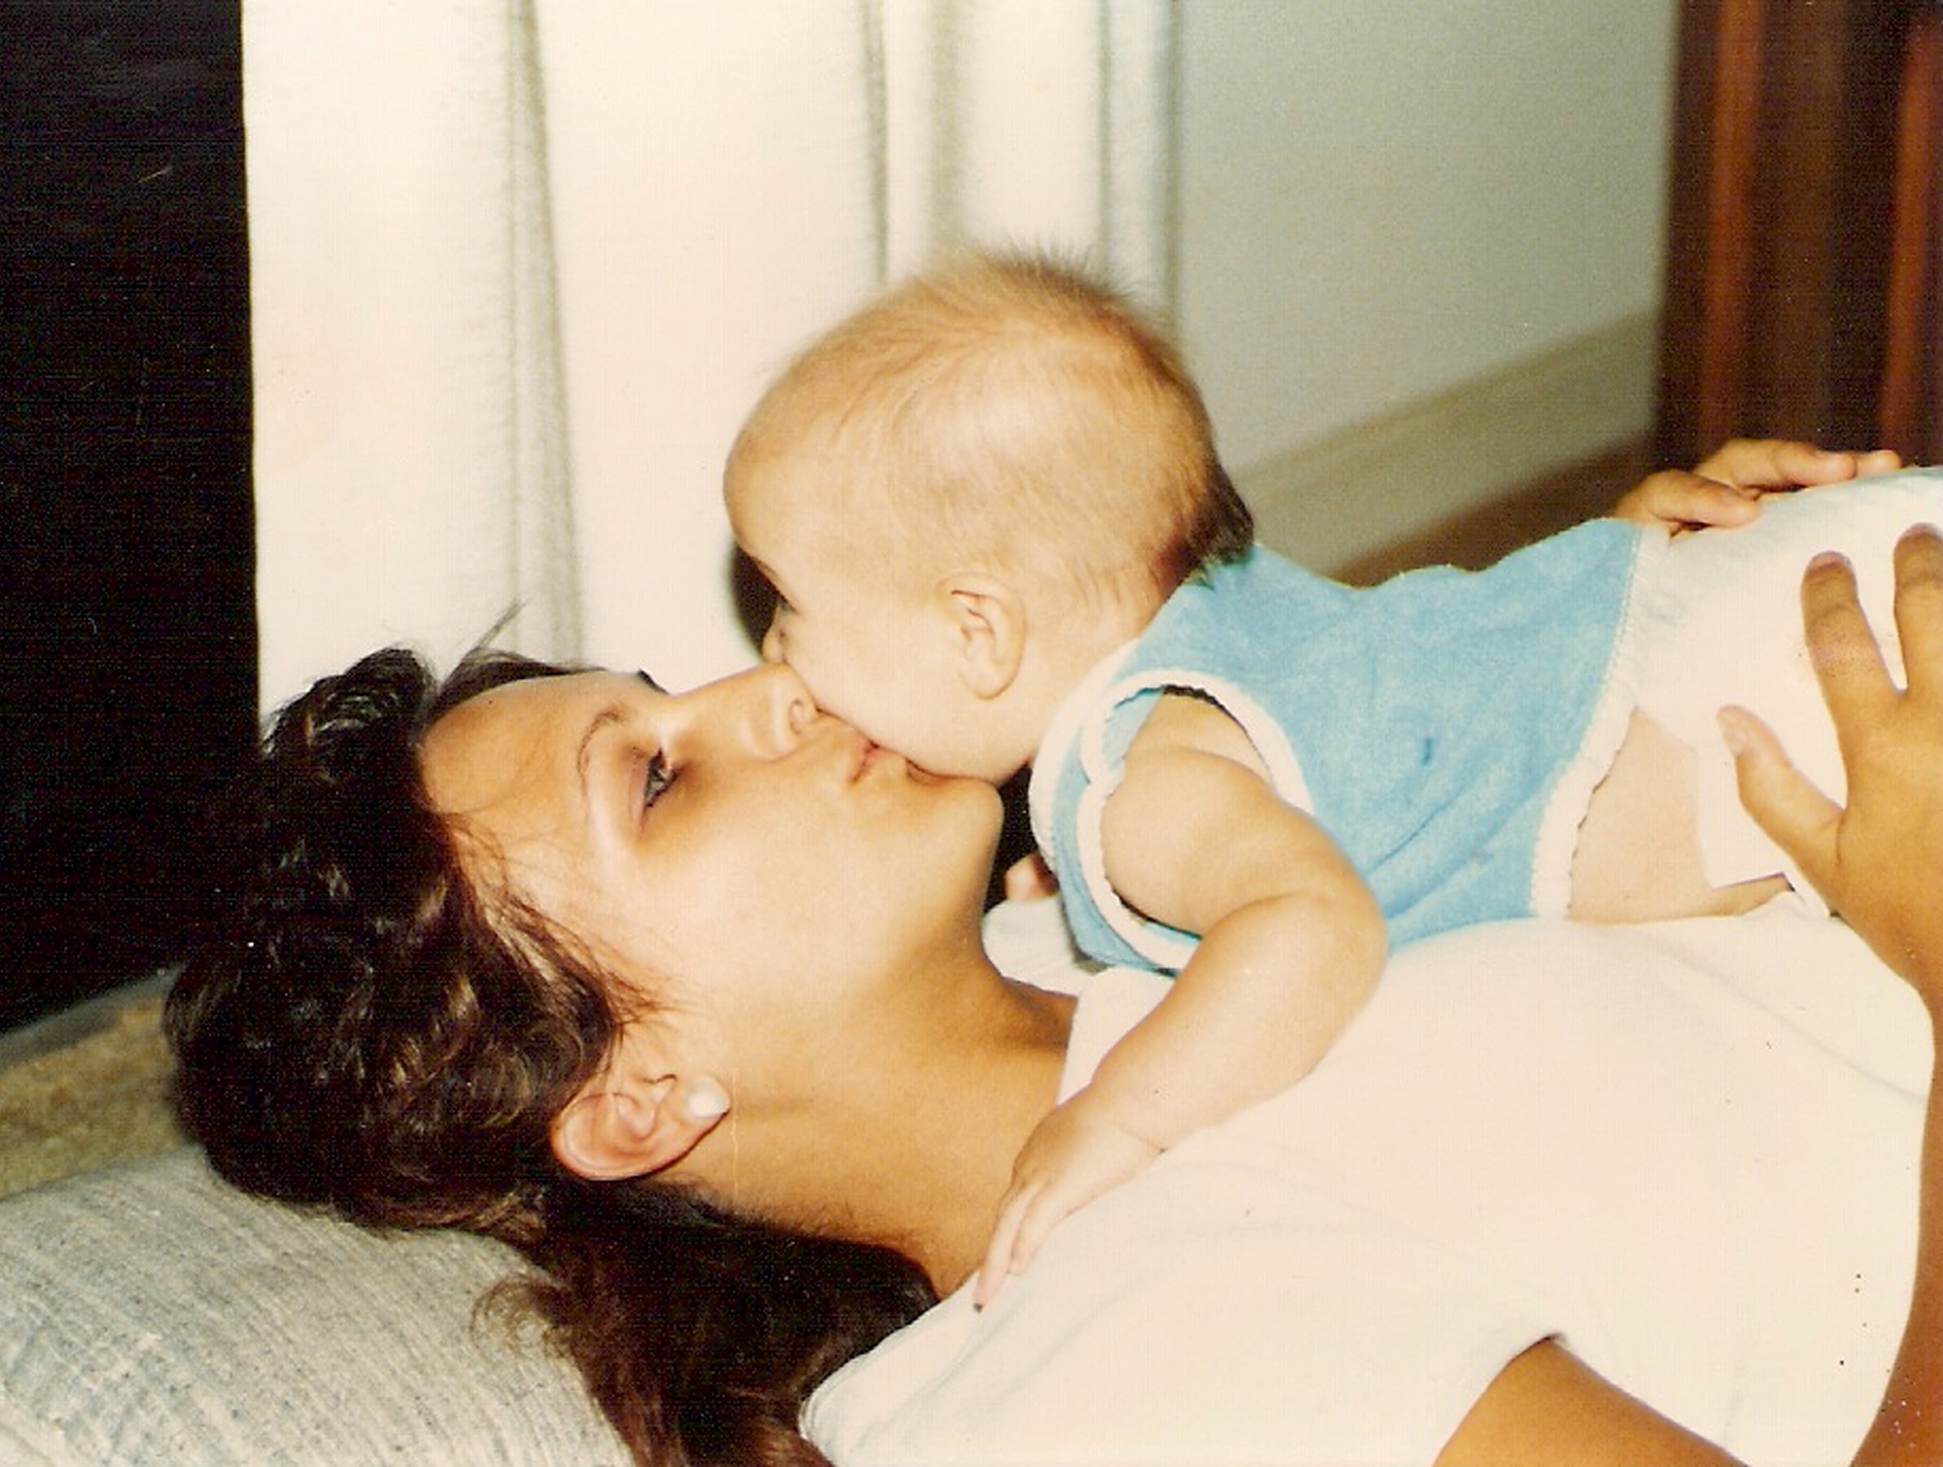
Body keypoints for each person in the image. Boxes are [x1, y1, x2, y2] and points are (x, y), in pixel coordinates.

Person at [167, 524, 1943, 1467]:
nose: (759, 683)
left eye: (663, 696)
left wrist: (1604, 625)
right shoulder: (1111, 1363)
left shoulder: (1075, 930)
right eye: (659, 778)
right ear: (640, 1093)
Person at [721, 251, 1928, 1297]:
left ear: (977, 633)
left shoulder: (1139, 793)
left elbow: (1310, 924)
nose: (773, 653)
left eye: (788, 604)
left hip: (1768, 704)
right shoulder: (1209, 618)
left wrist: (1120, 1114)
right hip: (1750, 607)